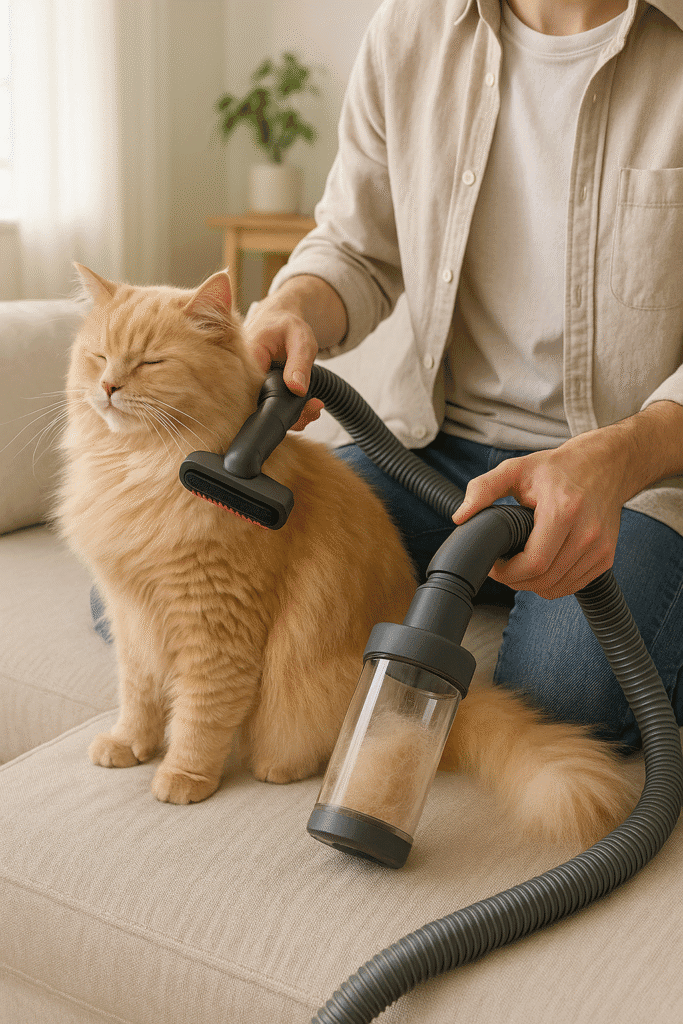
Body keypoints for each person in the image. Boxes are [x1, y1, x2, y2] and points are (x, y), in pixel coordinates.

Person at [241, 0, 683, 751]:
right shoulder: (409, 30)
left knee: (563, 700)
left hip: (634, 476)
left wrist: (617, 458)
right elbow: (354, 248)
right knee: (192, 566)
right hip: (431, 451)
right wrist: (291, 308)